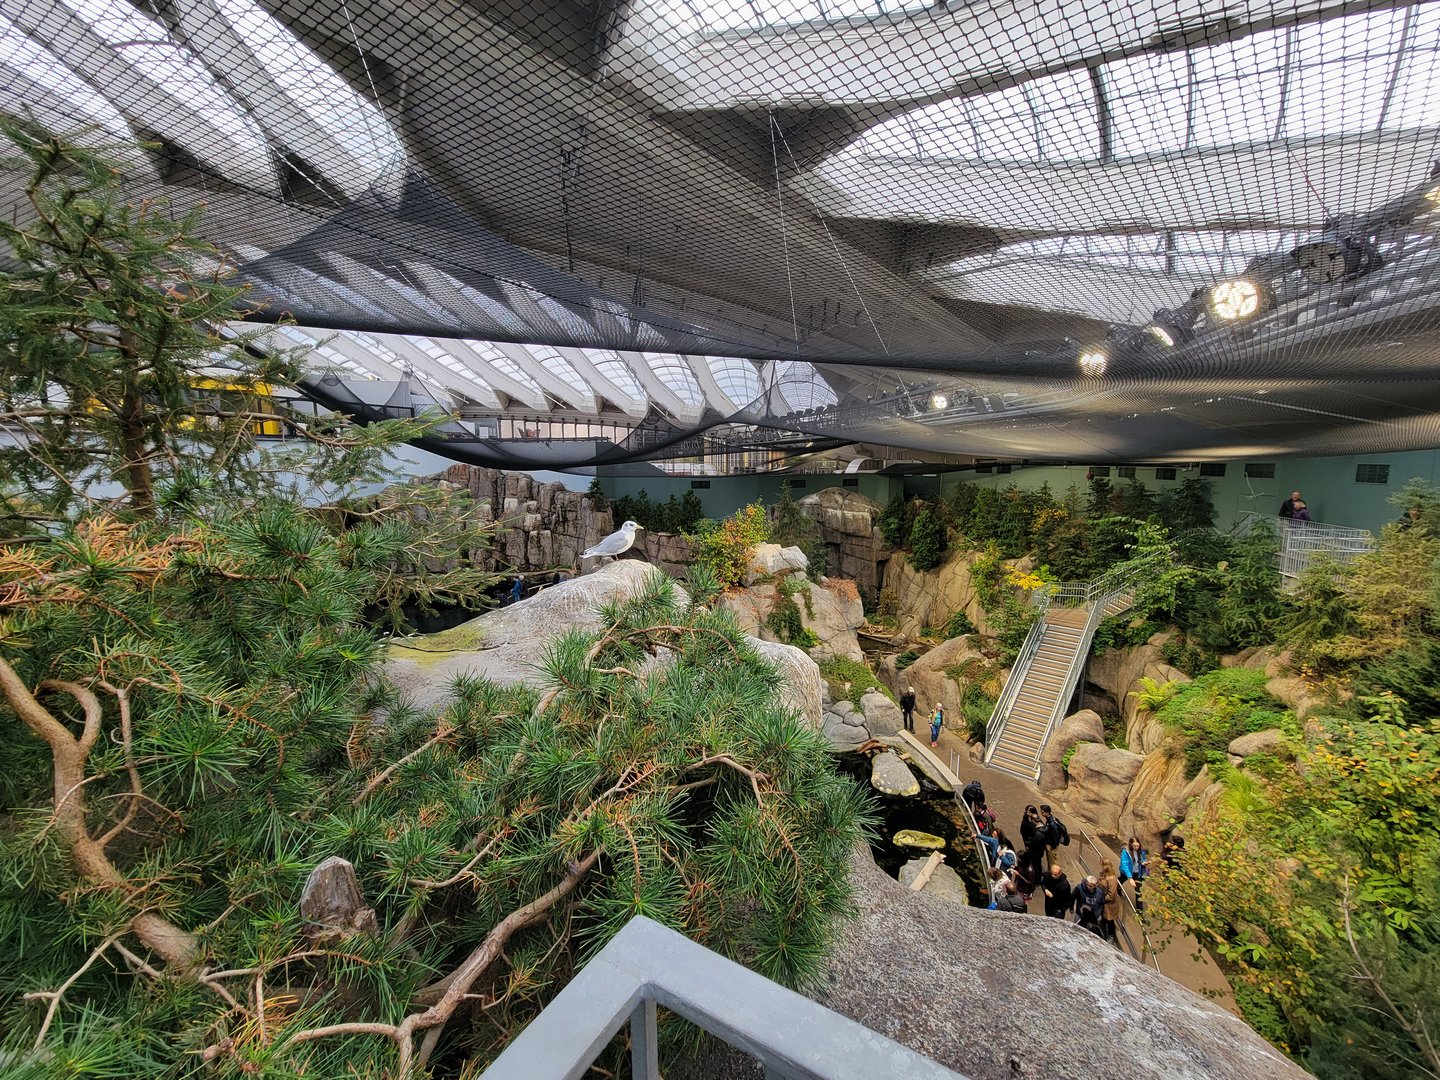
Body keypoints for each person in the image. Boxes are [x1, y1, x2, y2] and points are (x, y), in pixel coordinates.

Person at [1120, 836, 1150, 914]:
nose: (1136, 847)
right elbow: (1125, 864)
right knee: (1122, 879)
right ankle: (1118, 887)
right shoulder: (1126, 852)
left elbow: (1143, 859)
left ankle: (1140, 912)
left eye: (1138, 846)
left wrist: (1144, 863)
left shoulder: (1141, 851)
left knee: (1138, 891)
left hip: (1137, 872)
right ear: (1131, 844)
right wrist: (1130, 878)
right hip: (1127, 871)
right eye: (1135, 846)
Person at [1097, 858, 1123, 944]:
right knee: (1103, 918)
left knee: (1110, 920)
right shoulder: (1103, 874)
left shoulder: (1111, 879)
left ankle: (1111, 935)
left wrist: (1104, 899)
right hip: (1103, 901)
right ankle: (1103, 932)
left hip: (1109, 904)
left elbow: (1112, 894)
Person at [1019, 805, 1048, 879]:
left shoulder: (1037, 822)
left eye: (1029, 812)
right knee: (1033, 861)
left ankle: (1037, 877)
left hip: (1037, 847)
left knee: (1037, 863)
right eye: (1027, 811)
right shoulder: (1026, 820)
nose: (1027, 813)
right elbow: (1023, 831)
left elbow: (1040, 830)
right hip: (1030, 844)